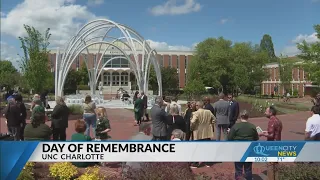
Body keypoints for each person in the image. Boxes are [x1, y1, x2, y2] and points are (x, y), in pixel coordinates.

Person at [228, 110, 259, 180]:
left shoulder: (235, 126)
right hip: (249, 149)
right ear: (248, 117)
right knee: (248, 169)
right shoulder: (252, 127)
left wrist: (229, 133)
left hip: (238, 149)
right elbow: (256, 138)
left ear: (240, 116)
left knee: (238, 169)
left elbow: (229, 138)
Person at [259, 106, 283, 180]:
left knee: (270, 164)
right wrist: (266, 132)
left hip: (271, 145)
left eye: (266, 111)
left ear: (271, 113)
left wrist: (261, 134)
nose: (265, 113)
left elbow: (271, 135)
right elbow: (276, 132)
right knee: (276, 164)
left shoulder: (271, 121)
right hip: (278, 143)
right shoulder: (278, 121)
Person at [190, 101, 216, 168]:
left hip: (198, 132)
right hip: (207, 132)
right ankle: (208, 162)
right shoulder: (208, 112)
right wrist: (211, 124)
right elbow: (214, 119)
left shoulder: (196, 113)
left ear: (197, 106)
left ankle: (196, 163)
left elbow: (193, 121)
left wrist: (192, 127)